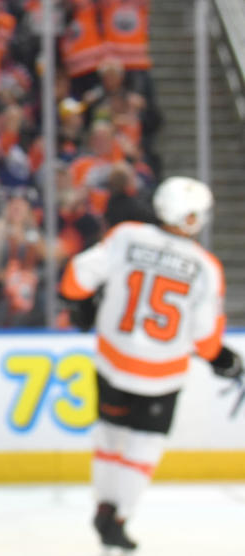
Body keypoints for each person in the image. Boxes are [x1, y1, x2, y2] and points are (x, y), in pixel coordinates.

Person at [60, 176, 242, 552]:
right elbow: (205, 339)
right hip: (161, 375)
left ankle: (102, 506)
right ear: (189, 217)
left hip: (113, 362)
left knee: (109, 438)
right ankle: (119, 516)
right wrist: (226, 360)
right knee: (144, 448)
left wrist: (82, 305)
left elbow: (75, 279)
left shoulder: (127, 236)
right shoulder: (205, 267)